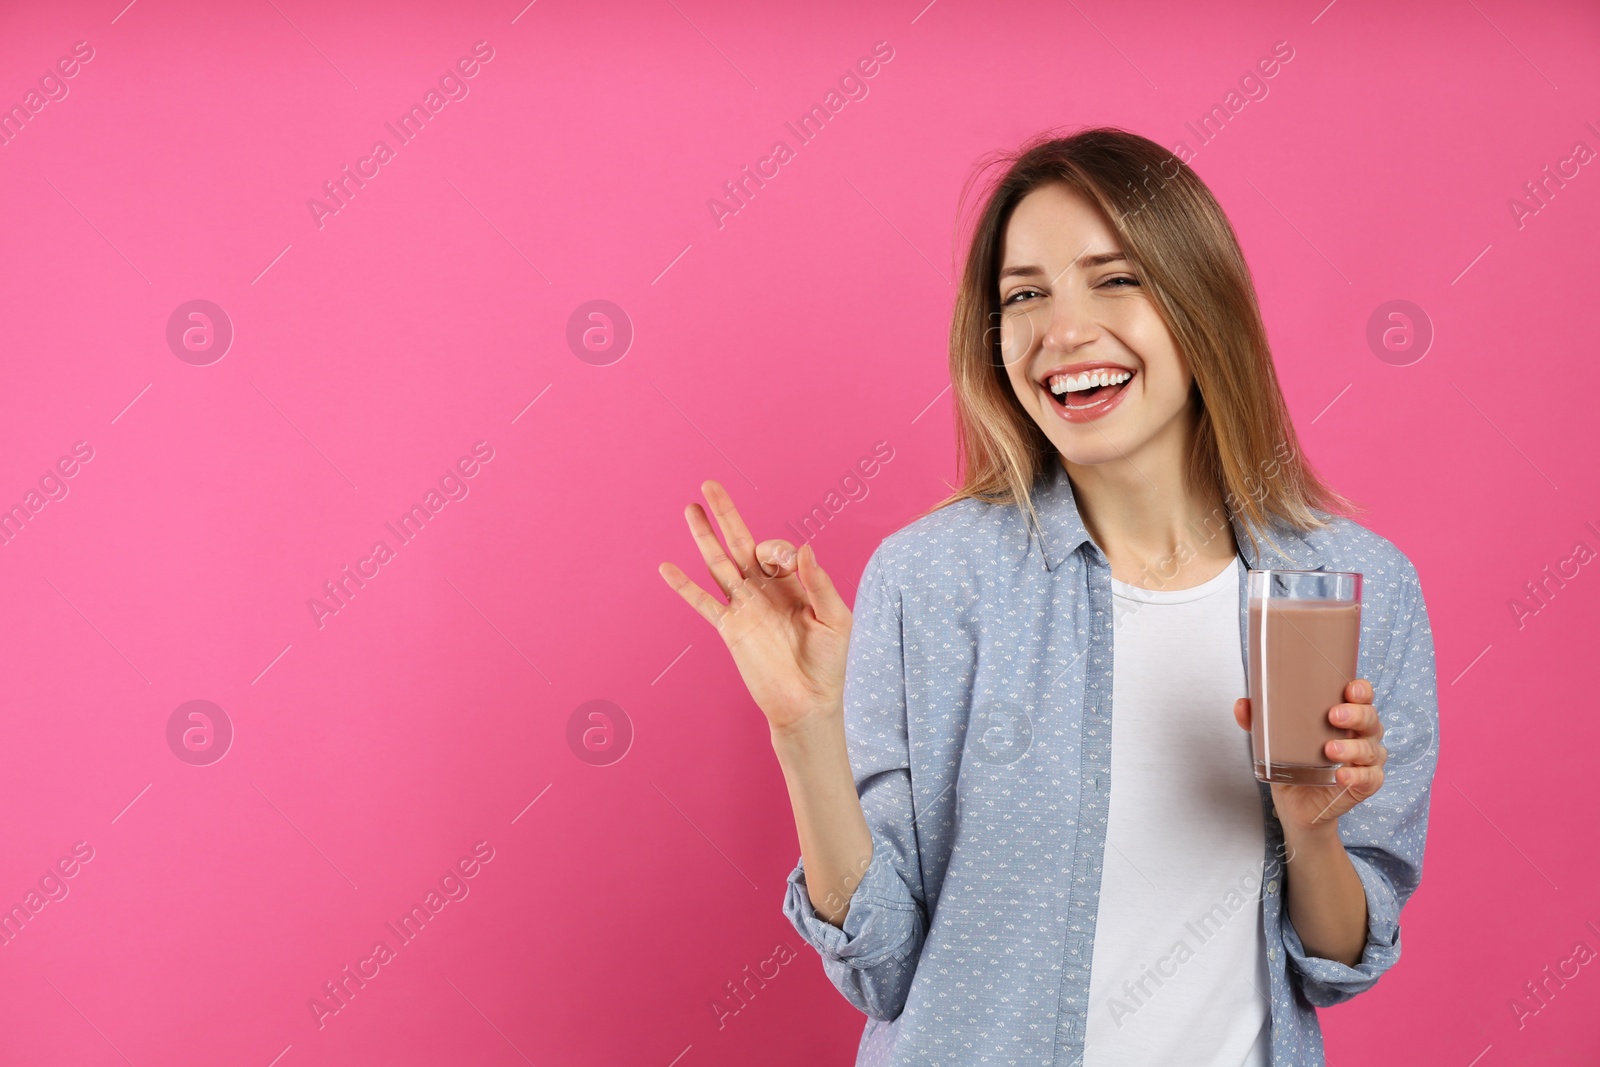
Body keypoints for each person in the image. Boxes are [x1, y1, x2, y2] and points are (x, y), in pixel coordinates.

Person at [657, 126, 1439, 1067]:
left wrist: (1311, 833)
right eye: (1024, 295)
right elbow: (883, 971)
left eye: (1114, 278)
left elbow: (1335, 964)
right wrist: (805, 728)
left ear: (1203, 299)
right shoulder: (931, 581)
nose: (1061, 333)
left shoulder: (1354, 592)